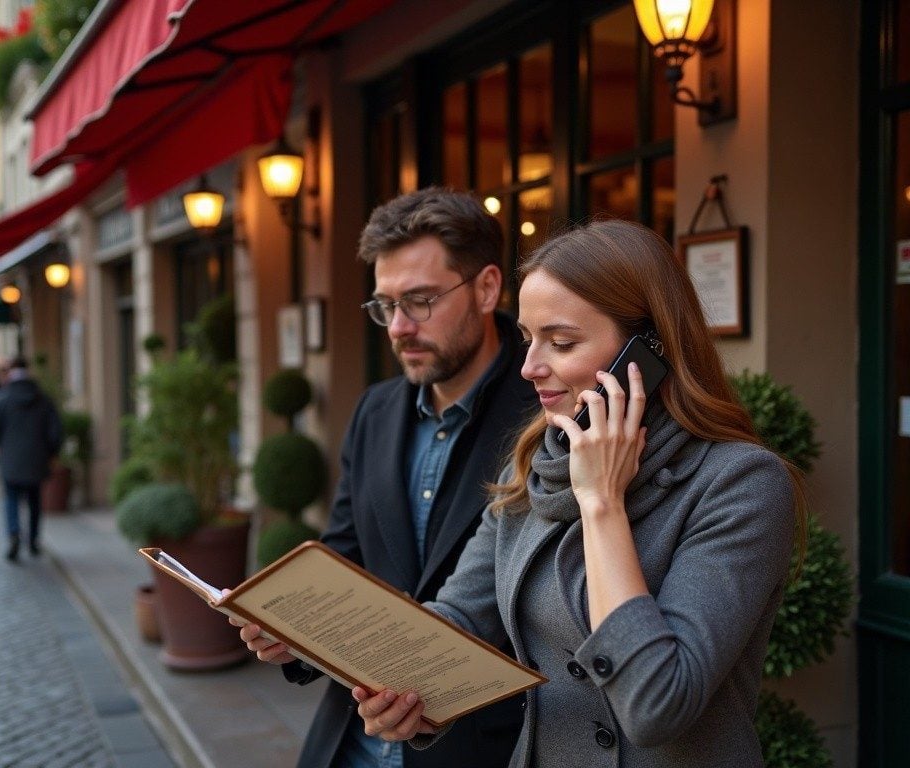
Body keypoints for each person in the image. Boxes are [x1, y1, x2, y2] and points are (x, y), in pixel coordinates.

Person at [347, 219, 804, 767]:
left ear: (645, 352)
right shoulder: (539, 464)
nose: (529, 367)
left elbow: (658, 705)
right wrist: (402, 690)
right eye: (527, 339)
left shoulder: (740, 484)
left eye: (561, 342)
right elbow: (459, 620)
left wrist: (602, 503)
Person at [234, 188, 537, 768]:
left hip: (480, 746)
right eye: (384, 305)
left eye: (420, 301)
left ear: (487, 288)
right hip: (351, 740)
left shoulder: (543, 414)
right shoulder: (375, 410)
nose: (398, 327)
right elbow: (345, 553)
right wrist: (290, 624)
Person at [0, 356, 63, 561]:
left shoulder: (1, 398)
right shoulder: (43, 398)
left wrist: (1, 445)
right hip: (37, 459)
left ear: (10, 372)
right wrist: (51, 452)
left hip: (10, 458)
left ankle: (14, 533)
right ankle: (34, 540)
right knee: (34, 500)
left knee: (11, 499)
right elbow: (56, 431)